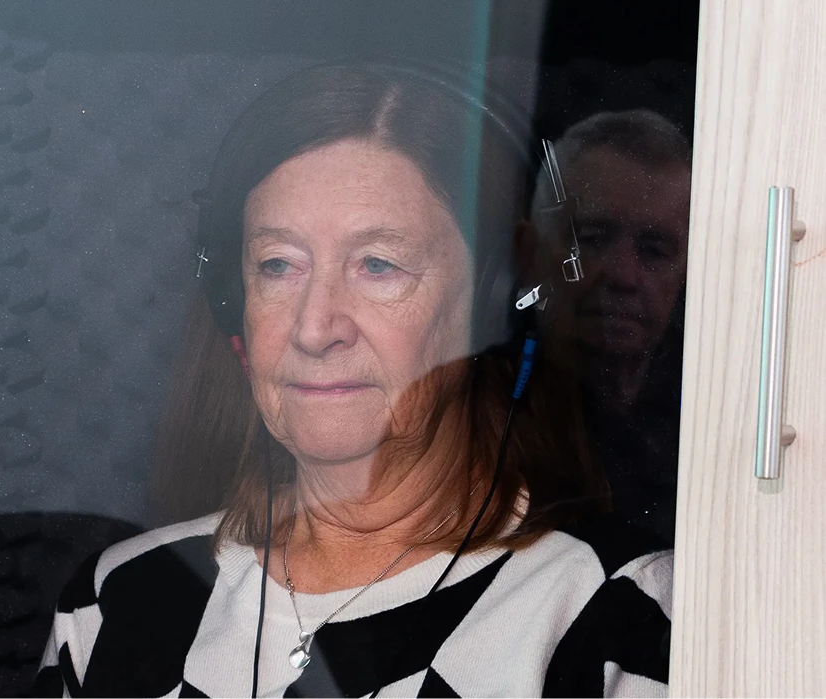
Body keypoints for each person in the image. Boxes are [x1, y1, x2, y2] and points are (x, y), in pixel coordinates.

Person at [38, 61, 671, 697]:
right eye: (278, 265)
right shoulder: (112, 604)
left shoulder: (616, 614)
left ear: (496, 303)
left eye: (378, 264)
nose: (315, 329)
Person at [519, 110, 690, 543]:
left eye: (654, 250)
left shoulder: (707, 415)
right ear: (529, 252)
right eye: (592, 240)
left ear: (688, 273)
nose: (624, 276)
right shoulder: (476, 412)